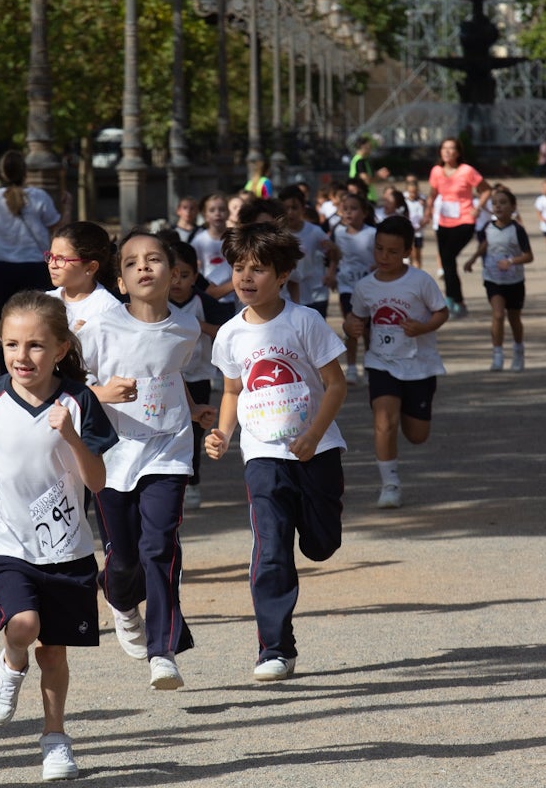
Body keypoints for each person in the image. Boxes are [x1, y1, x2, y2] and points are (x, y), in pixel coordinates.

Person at [0, 290, 117, 782]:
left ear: (60, 348)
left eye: (35, 345)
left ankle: (55, 739)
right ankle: (12, 664)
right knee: (25, 625)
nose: (22, 356)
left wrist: (72, 436)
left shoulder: (79, 401)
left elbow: (97, 482)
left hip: (65, 546)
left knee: (53, 652)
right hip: (2, 541)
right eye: (11, 344)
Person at [205, 222, 347, 681]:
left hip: (317, 451)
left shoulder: (305, 321)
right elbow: (231, 391)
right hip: (262, 454)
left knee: (322, 545)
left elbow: (336, 384)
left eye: (259, 269)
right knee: (269, 549)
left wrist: (313, 435)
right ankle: (274, 649)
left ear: (283, 274)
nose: (246, 278)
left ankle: (319, 532)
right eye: (239, 268)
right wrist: (224, 435)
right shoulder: (229, 334)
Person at [77, 231, 213, 690]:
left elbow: (169, 376)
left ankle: (164, 652)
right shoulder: (100, 328)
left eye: (154, 260)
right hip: (112, 458)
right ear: (120, 281)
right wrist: (101, 393)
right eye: (132, 263)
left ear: (174, 274)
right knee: (123, 560)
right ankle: (118, 598)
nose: (143, 268)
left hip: (168, 451)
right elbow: (71, 389)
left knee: (160, 548)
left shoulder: (186, 327)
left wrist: (193, 411)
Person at [344, 216, 448, 510]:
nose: (384, 257)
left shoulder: (420, 281)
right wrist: (350, 327)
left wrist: (423, 327)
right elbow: (357, 318)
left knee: (417, 435)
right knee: (383, 423)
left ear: (406, 250)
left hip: (419, 366)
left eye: (392, 251)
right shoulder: (365, 286)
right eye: (379, 249)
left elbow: (441, 313)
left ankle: (408, 409)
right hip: (381, 363)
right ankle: (390, 485)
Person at [0, 151, 65, 368]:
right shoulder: (39, 197)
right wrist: (67, 205)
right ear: (25, 172)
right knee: (42, 319)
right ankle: (44, 368)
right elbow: (56, 226)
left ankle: (6, 371)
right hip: (35, 266)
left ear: (2, 172)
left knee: (2, 322)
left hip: (1, 267)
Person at [165, 237, 227, 511]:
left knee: (193, 433)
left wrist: (200, 326)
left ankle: (193, 482)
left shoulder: (203, 302)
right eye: (172, 276)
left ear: (196, 274)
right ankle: (169, 481)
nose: (177, 283)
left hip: (197, 376)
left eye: (185, 275)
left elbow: (224, 332)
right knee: (167, 431)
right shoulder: (155, 302)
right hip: (165, 378)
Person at [464, 187, 534, 372]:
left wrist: (511, 261)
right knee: (497, 314)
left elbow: (529, 256)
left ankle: (518, 351)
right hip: (493, 279)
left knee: (514, 319)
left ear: (513, 207)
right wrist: (472, 259)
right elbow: (485, 244)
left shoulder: (517, 230)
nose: (498, 207)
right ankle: (497, 355)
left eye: (503, 203)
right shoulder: (488, 228)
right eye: (495, 203)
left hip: (515, 281)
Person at [423, 137, 486, 317]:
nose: (447, 152)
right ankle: (457, 302)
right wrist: (428, 212)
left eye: (451, 149)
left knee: (449, 257)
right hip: (443, 222)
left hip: (465, 221)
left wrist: (478, 207)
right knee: (447, 261)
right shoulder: (436, 171)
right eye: (444, 148)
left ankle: (452, 300)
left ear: (458, 153)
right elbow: (433, 193)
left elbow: (486, 189)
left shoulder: (467, 171)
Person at [332, 191, 377, 385]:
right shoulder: (338, 233)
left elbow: (379, 256)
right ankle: (351, 368)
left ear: (364, 212)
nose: (349, 213)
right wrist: (330, 273)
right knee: (351, 325)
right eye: (345, 209)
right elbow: (334, 255)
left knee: (368, 329)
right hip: (347, 287)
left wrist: (378, 267)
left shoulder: (372, 234)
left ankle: (369, 366)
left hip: (369, 287)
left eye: (354, 209)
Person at [45, 220, 120, 331]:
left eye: (61, 259)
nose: (52, 264)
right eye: (50, 256)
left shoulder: (109, 309)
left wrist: (92, 337)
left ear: (91, 267)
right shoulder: (46, 301)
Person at [280, 185, 337, 319]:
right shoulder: (279, 234)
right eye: (286, 208)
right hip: (289, 294)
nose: (290, 213)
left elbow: (333, 252)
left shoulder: (315, 231)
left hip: (316, 292)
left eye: (294, 208)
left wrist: (330, 273)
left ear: (303, 208)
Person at [191, 193, 235, 306]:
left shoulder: (236, 238)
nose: (217, 213)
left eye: (222, 209)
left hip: (236, 297)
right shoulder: (198, 241)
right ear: (205, 215)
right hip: (211, 296)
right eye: (212, 210)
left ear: (228, 212)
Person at [349, 134, 391, 201]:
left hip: (366, 197)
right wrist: (378, 175)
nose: (371, 148)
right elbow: (366, 181)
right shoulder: (360, 161)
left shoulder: (362, 160)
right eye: (369, 146)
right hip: (364, 198)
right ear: (362, 146)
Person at [403, 176, 427, 270]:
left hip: (419, 231)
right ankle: (413, 268)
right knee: (412, 253)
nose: (413, 194)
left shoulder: (421, 201)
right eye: (411, 192)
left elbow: (425, 215)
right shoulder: (404, 201)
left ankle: (418, 270)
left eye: (414, 192)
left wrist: (422, 224)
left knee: (418, 253)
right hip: (408, 231)